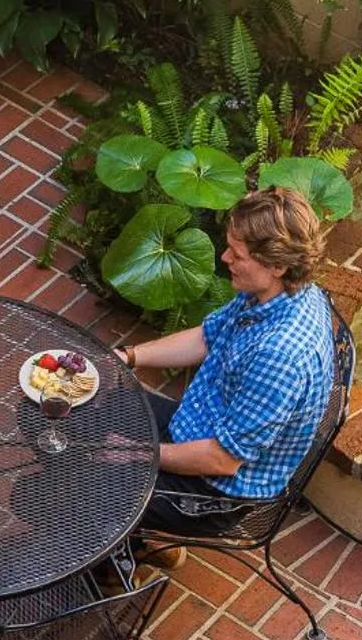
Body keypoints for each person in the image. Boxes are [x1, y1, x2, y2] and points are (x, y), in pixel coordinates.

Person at [116, 187, 338, 536]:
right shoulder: (276, 292)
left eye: (237, 254)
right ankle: (134, 540)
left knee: (80, 482)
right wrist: (126, 357)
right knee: (80, 404)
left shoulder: (280, 357)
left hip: (212, 493)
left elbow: (222, 459)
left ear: (278, 264)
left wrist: (139, 453)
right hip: (196, 424)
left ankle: (117, 558)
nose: (224, 258)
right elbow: (206, 336)